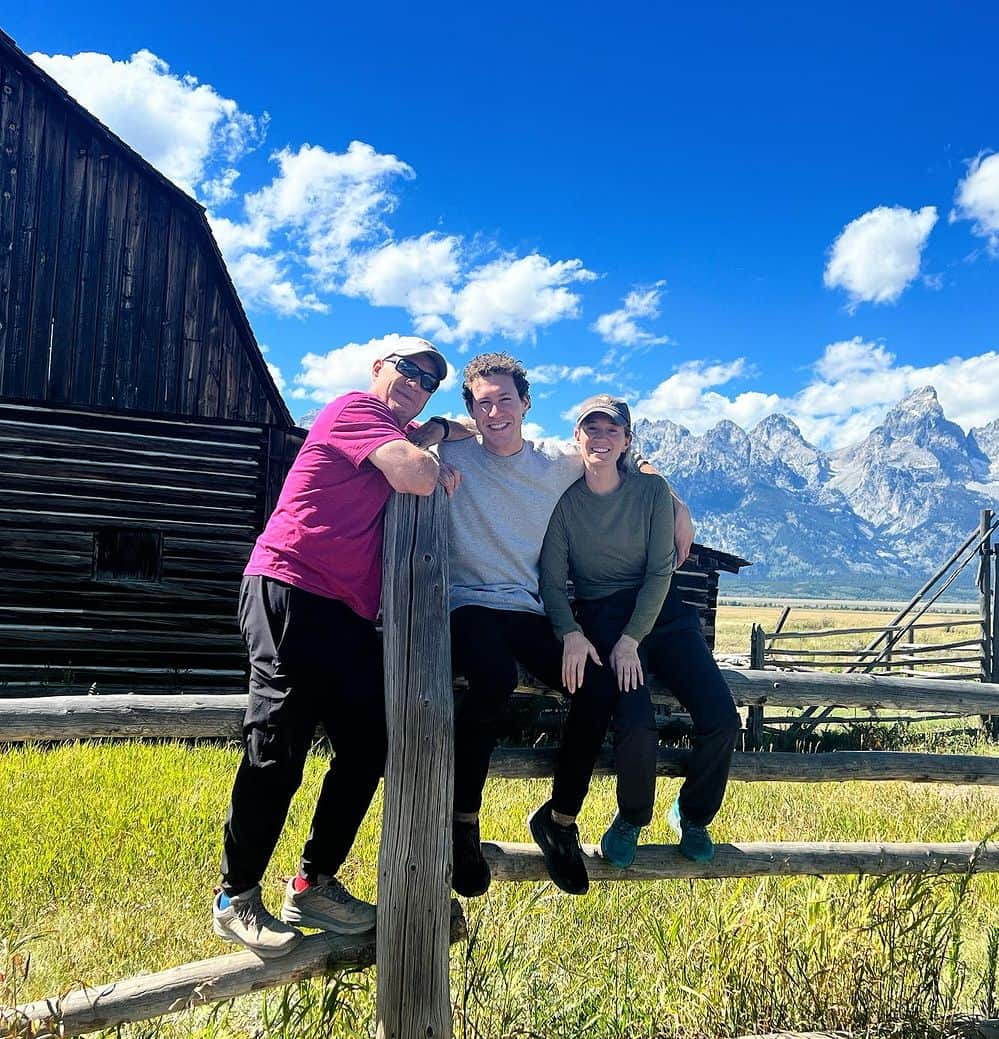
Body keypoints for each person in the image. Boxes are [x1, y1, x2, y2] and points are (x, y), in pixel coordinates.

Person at [213, 336, 456, 957]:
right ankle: (236, 896)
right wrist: (429, 443)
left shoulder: (384, 427)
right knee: (279, 745)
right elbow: (416, 475)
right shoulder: (354, 409)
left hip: (345, 611)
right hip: (290, 585)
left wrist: (432, 433)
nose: (415, 383)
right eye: (407, 369)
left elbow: (412, 462)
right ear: (380, 368)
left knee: (370, 740)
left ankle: (313, 883)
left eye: (428, 381)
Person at [436, 355, 695, 897]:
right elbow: (402, 439)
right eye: (483, 403)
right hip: (467, 604)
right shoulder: (450, 452)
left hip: (528, 609)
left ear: (526, 404)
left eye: (506, 399)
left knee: (597, 685)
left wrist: (675, 503)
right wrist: (438, 435)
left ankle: (558, 820)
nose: (496, 411)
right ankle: (461, 825)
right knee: (492, 681)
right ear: (470, 411)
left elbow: (616, 456)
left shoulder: (556, 461)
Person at [532, 394, 740, 888]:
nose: (599, 438)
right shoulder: (565, 506)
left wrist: (631, 640)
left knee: (722, 718)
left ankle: (692, 813)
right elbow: (550, 579)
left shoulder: (651, 492)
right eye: (591, 429)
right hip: (601, 615)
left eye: (611, 430)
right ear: (576, 438)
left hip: (660, 610)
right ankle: (631, 817)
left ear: (626, 440)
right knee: (636, 723)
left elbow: (658, 570)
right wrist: (570, 631)